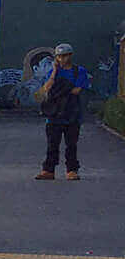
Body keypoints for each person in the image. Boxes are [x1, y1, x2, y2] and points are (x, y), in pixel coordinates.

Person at [36, 42, 92, 180]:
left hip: (72, 114)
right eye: (59, 56)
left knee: (71, 144)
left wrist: (59, 91)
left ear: (71, 55)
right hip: (54, 114)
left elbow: (77, 90)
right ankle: (48, 170)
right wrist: (54, 71)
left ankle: (72, 170)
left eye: (65, 55)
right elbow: (46, 89)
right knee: (52, 144)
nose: (62, 59)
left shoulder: (79, 71)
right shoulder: (52, 72)